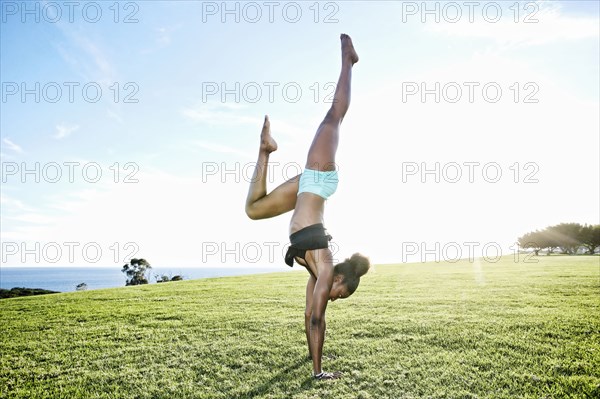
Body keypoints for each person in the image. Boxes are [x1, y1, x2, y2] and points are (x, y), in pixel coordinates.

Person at [245, 34, 370, 380]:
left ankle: (265, 150)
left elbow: (308, 316)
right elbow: (318, 319)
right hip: (318, 181)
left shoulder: (317, 272)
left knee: (253, 210)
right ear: (340, 279)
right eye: (340, 295)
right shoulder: (326, 267)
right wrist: (319, 373)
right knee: (334, 116)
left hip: (307, 190)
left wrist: (312, 352)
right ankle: (348, 59)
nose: (334, 298)